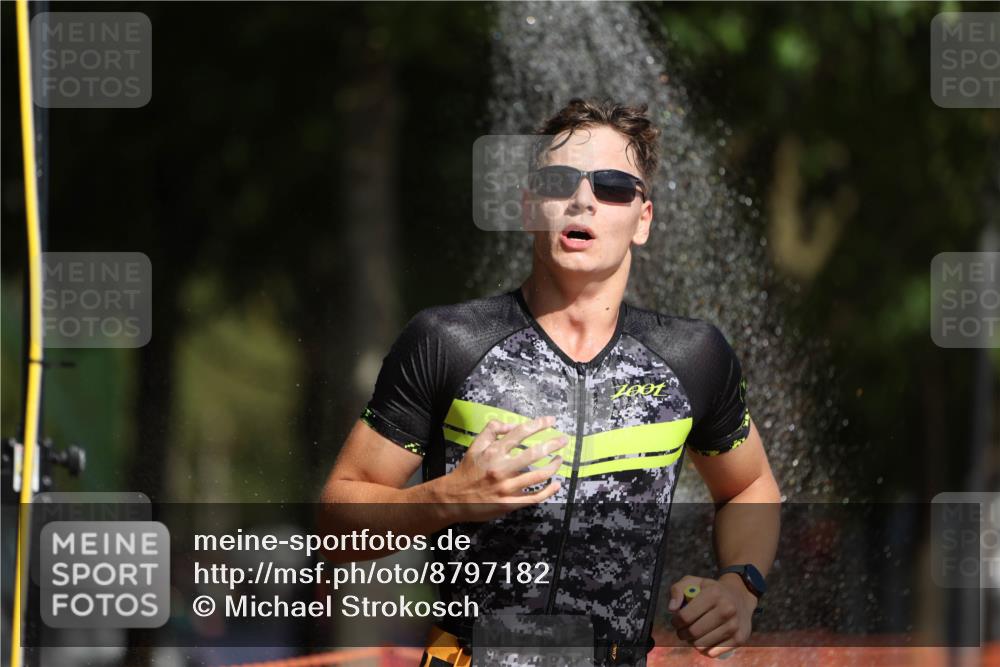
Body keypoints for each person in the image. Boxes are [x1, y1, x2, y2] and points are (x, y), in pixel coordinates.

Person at [319, 98, 781, 667]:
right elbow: (336, 520)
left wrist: (740, 585)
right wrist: (443, 499)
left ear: (643, 219)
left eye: (613, 186)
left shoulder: (693, 356)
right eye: (559, 181)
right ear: (530, 205)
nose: (583, 198)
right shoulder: (447, 340)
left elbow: (750, 485)